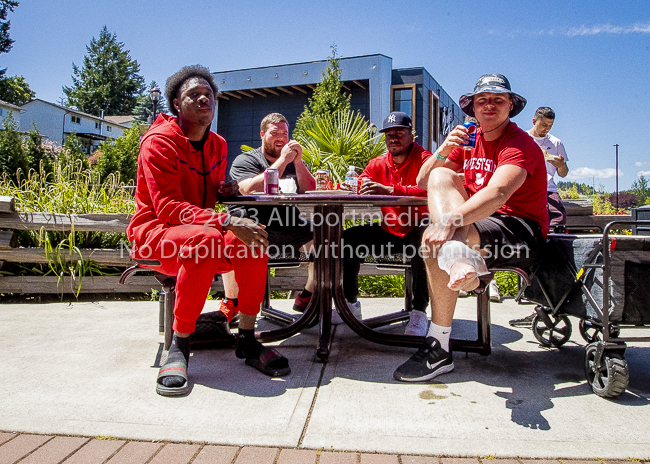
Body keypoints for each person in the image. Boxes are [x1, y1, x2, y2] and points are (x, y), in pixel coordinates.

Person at [127, 66, 291, 397]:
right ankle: (180, 346)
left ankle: (246, 338)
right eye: (194, 94)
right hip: (155, 235)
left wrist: (224, 192)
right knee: (208, 240)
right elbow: (169, 208)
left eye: (209, 95)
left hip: (199, 231)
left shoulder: (216, 144)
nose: (204, 98)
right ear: (176, 103)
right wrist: (228, 220)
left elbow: (203, 193)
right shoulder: (157, 143)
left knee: (255, 237)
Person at [393, 74, 548, 382]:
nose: (489, 105)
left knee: (432, 241)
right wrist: (443, 151)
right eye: (482, 100)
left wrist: (449, 222)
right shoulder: (469, 139)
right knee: (441, 177)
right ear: (473, 108)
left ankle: (438, 346)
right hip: (478, 221)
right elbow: (425, 182)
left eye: (497, 100)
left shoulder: (519, 144)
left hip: (520, 228)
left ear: (510, 106)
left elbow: (499, 194)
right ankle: (459, 257)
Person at [342, 111, 432, 335]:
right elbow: (363, 179)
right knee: (348, 239)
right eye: (389, 134)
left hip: (418, 227)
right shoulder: (377, 163)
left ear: (412, 135)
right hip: (390, 230)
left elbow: (431, 189)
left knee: (426, 242)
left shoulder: (425, 159)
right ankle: (351, 304)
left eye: (399, 133)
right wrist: (353, 185)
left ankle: (419, 313)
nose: (393, 138)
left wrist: (391, 190)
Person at [226, 113, 316, 312]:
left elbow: (309, 189)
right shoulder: (246, 160)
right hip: (254, 225)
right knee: (234, 237)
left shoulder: (294, 161)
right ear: (262, 135)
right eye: (275, 133)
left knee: (327, 240)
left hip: (288, 225)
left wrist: (299, 162)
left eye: (285, 133)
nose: (282, 138)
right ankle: (232, 301)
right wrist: (283, 160)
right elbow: (248, 189)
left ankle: (307, 296)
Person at [509, 106, 570, 328]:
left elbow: (563, 174)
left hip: (548, 190)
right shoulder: (522, 138)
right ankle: (531, 292)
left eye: (550, 126)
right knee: (527, 238)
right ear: (534, 120)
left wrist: (561, 164)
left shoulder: (556, 142)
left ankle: (552, 293)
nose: (546, 129)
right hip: (525, 190)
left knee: (555, 237)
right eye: (543, 124)